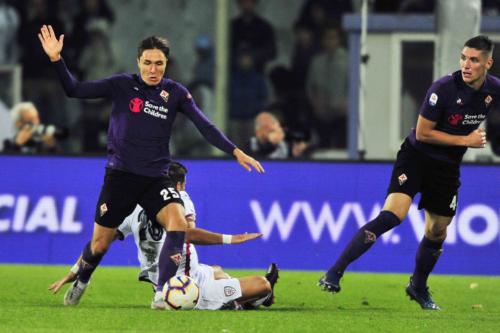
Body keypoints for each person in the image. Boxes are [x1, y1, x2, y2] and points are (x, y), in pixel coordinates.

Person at [38, 25, 264, 308]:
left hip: (156, 177)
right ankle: (83, 279)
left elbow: (204, 125)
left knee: (179, 222)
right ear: (138, 62)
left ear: (166, 64)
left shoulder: (176, 93)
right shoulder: (121, 85)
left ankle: (163, 292)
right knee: (99, 245)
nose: (153, 69)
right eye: (147, 63)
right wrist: (56, 60)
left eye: (159, 63)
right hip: (120, 177)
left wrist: (235, 150)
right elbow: (74, 89)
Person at [319, 36, 500, 310]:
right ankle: (335, 272)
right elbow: (424, 133)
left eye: (474, 60)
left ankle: (417, 286)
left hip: (447, 168)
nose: (466, 64)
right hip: (416, 157)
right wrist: (466, 140)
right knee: (392, 215)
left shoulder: (493, 89)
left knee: (438, 231)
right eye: (463, 57)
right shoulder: (443, 89)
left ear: (488, 63)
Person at [49, 162, 279, 310]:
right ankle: (246, 301)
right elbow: (186, 233)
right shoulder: (179, 199)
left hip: (168, 280)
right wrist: (230, 239)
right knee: (262, 284)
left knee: (216, 270)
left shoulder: (132, 205)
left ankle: (231, 294)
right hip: (185, 286)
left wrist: (74, 271)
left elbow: (99, 243)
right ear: (178, 185)